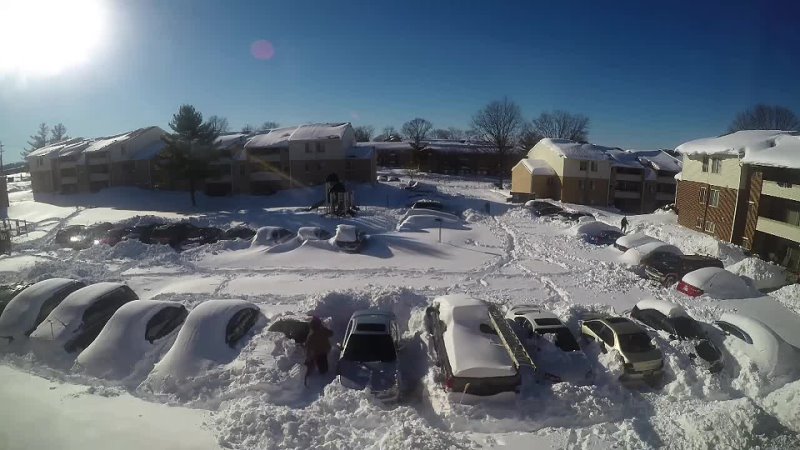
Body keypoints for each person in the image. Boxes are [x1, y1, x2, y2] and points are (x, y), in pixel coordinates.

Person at [304, 316, 333, 383]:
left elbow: (308, 346)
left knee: (320, 364)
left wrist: (308, 355)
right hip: (324, 350)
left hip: (317, 353)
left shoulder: (311, 335)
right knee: (323, 364)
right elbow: (331, 333)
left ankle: (322, 379)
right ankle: (324, 378)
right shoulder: (323, 331)